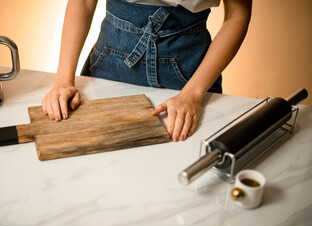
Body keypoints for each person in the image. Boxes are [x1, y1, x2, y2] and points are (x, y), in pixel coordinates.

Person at [42, 0, 252, 142]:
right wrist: (63, 80)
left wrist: (192, 95)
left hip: (191, 74)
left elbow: (238, 15)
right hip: (109, 60)